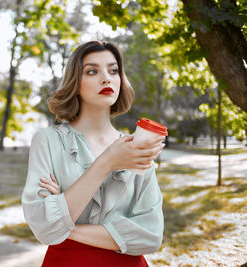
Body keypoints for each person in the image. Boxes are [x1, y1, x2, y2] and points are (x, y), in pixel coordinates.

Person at [21, 41, 165, 267]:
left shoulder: (136, 146)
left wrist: (64, 221)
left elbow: (150, 235)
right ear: (75, 83)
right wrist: (106, 163)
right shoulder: (47, 140)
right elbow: (43, 227)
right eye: (92, 71)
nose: (106, 78)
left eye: (113, 70)